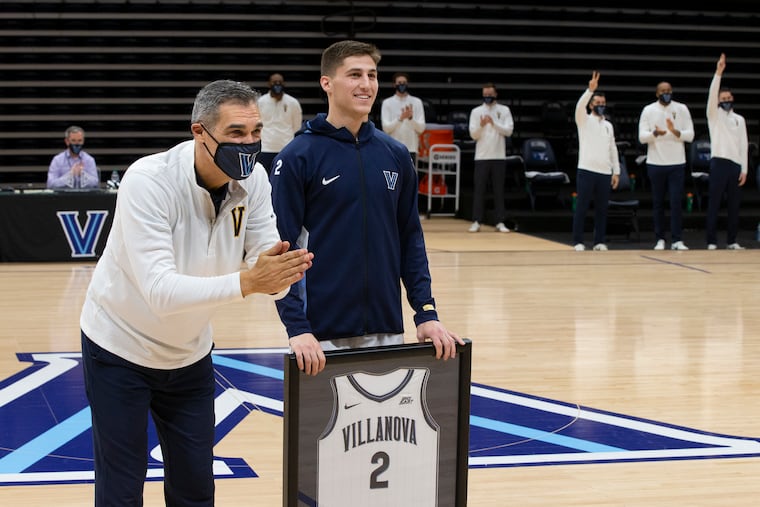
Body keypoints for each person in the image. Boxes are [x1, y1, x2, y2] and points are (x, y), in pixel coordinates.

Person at [79, 79, 313, 506]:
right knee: (122, 486)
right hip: (119, 349)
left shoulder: (255, 179)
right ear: (199, 132)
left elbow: (265, 254)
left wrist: (284, 279)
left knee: (196, 488)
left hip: (189, 354)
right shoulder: (149, 180)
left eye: (256, 132)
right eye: (236, 134)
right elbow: (160, 291)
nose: (249, 144)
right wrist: (249, 282)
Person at [269, 39, 463, 377]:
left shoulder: (396, 155)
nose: (367, 84)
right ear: (326, 83)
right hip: (320, 335)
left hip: (386, 327)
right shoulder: (297, 157)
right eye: (355, 75)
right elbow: (281, 251)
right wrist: (297, 326)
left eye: (372, 75)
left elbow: (410, 240)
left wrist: (426, 313)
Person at [638, 81, 695, 250]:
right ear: (657, 93)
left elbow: (690, 135)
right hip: (656, 163)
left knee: (676, 202)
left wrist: (675, 131)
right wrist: (656, 133)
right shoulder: (648, 110)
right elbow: (642, 137)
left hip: (677, 163)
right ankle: (660, 239)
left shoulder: (682, 108)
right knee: (658, 203)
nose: (666, 93)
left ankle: (677, 240)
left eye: (669, 90)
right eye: (663, 91)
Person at [572, 71, 620, 251]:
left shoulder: (608, 125)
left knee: (602, 209)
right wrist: (589, 91)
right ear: (591, 105)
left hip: (604, 172)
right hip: (586, 170)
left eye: (603, 103)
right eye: (597, 103)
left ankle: (599, 241)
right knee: (582, 207)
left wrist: (616, 171)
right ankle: (578, 241)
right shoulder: (584, 120)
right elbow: (579, 107)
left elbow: (612, 148)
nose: (600, 105)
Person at [705, 53, 748, 250]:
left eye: (729, 98)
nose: (726, 100)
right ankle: (711, 241)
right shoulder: (714, 116)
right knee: (714, 203)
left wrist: (744, 169)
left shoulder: (739, 119)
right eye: (723, 98)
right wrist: (718, 72)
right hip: (719, 162)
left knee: (734, 205)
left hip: (735, 165)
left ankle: (732, 240)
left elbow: (743, 145)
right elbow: (713, 95)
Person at [467, 82, 514, 233]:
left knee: (498, 190)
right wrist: (481, 125)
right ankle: (476, 221)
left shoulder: (504, 110)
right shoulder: (476, 112)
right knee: (479, 190)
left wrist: (494, 123)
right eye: (485, 94)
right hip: (481, 156)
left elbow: (509, 131)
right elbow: (473, 134)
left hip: (499, 156)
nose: (487, 97)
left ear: (495, 94)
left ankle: (500, 221)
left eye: (490, 94)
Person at [257, 72, 303, 173]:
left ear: (284, 84)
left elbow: (297, 126)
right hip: (266, 148)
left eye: (280, 82)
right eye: (274, 82)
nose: (277, 84)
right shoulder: (261, 102)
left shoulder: (293, 102)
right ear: (269, 84)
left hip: (286, 148)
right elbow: (257, 124)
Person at [380, 71, 426, 165]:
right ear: (394, 85)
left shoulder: (417, 102)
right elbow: (386, 128)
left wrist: (410, 118)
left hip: (411, 148)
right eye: (399, 83)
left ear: (407, 84)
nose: (402, 85)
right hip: (392, 148)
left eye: (404, 83)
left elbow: (421, 128)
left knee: (410, 178)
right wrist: (400, 119)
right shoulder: (387, 103)